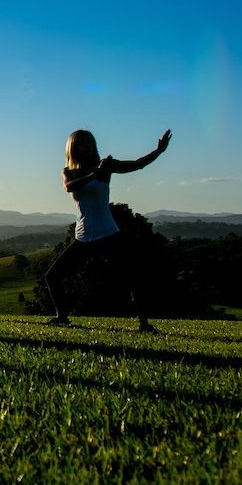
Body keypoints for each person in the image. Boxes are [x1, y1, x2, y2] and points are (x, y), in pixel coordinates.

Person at [46, 128, 172, 332]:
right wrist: (95, 174)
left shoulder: (106, 165)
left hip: (108, 233)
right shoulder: (70, 172)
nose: (87, 146)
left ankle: (144, 324)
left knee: (133, 278)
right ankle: (62, 317)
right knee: (52, 277)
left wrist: (159, 151)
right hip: (84, 236)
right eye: (82, 143)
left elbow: (137, 165)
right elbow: (69, 187)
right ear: (73, 147)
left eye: (90, 142)